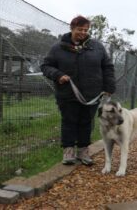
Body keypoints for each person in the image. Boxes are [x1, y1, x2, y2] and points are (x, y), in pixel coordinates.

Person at [41, 15, 116, 165]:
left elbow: (107, 67)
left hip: (92, 94)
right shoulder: (58, 48)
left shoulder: (97, 47)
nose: (83, 32)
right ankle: (68, 151)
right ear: (72, 28)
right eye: (79, 29)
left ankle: (83, 151)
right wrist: (58, 75)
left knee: (86, 122)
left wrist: (109, 87)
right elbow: (46, 66)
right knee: (69, 121)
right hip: (67, 93)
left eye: (86, 30)